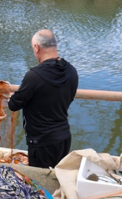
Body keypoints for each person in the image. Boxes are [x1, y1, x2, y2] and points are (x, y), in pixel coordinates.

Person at [7, 29, 79, 169]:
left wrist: (14, 96)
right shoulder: (71, 71)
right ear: (55, 45)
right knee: (57, 178)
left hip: (41, 142)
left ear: (37, 47)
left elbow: (13, 105)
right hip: (64, 137)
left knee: (41, 184)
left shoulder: (34, 76)